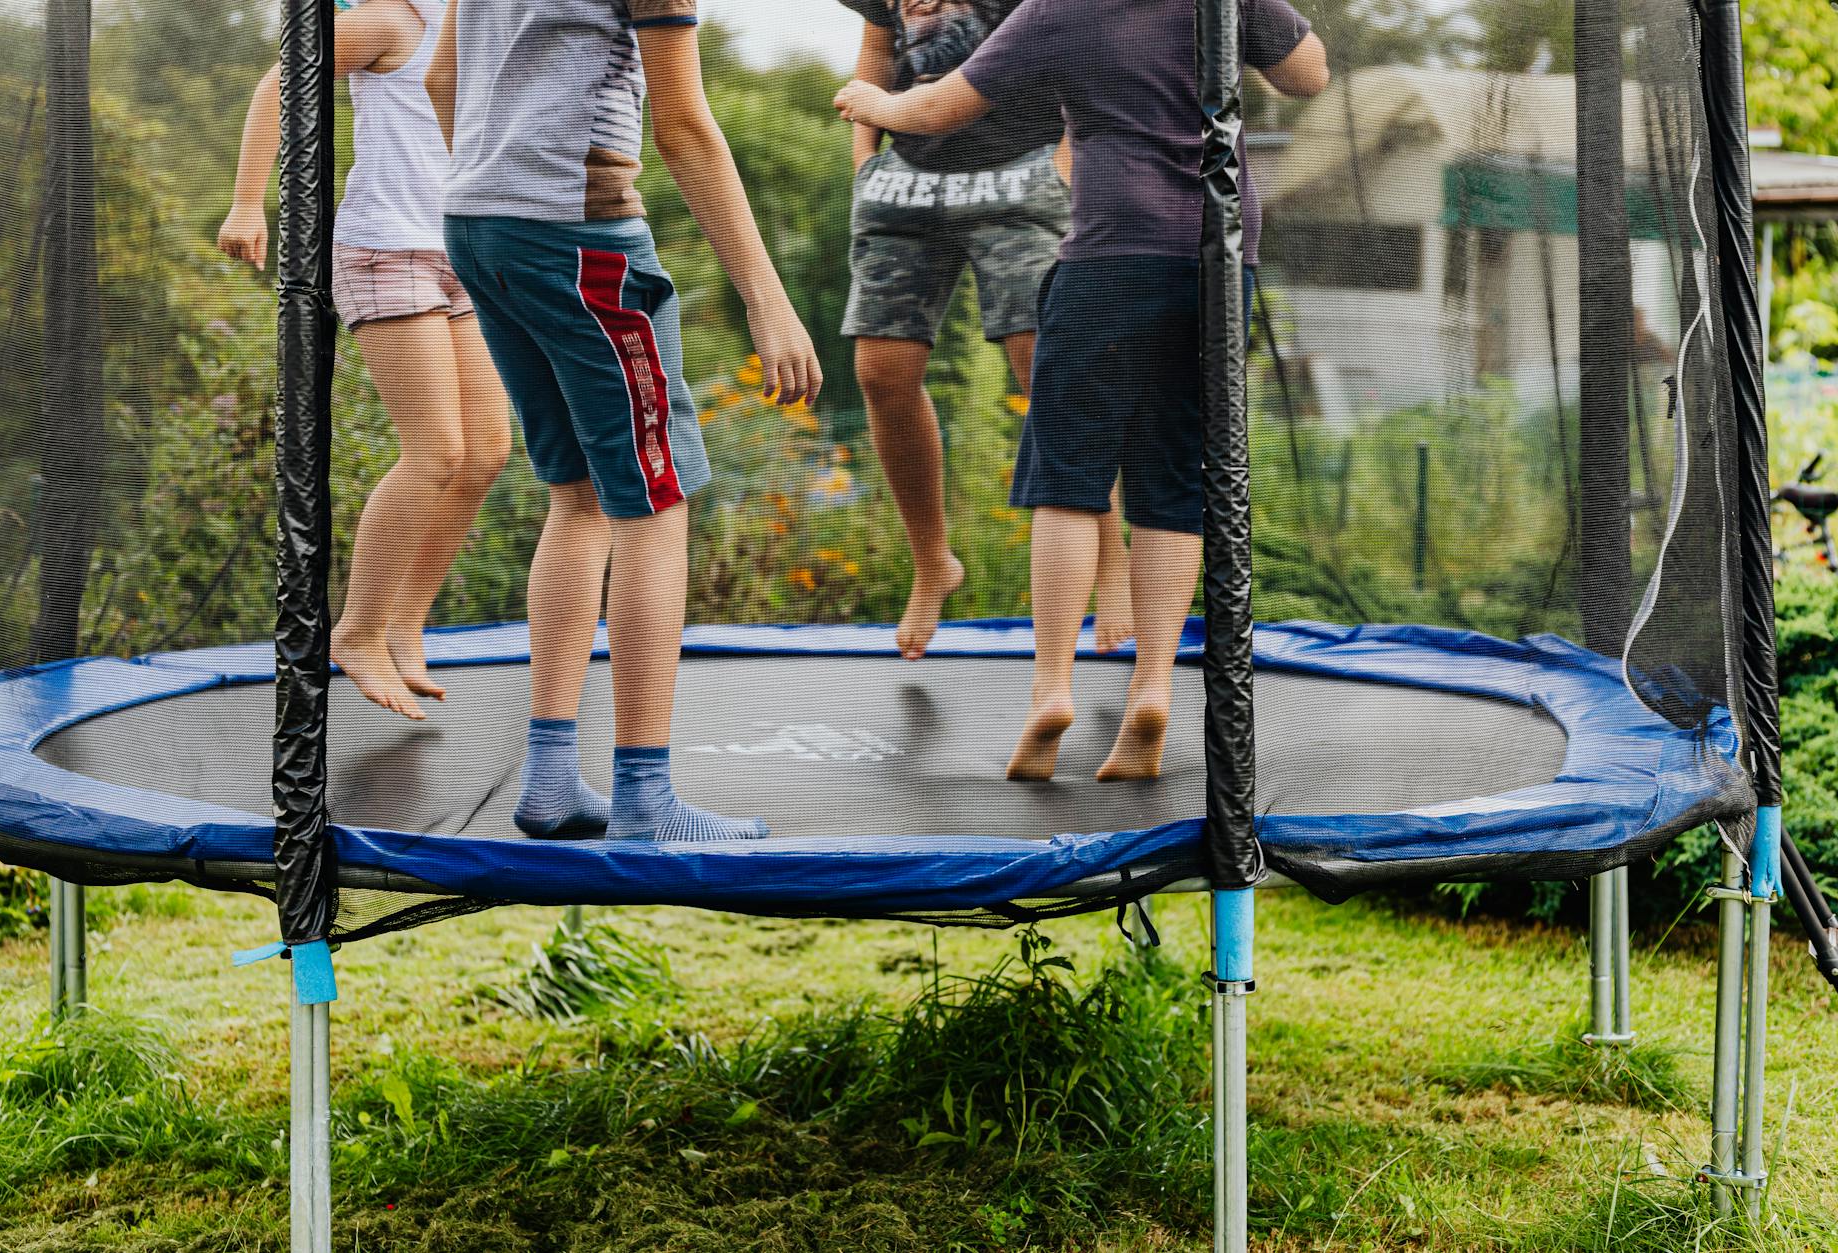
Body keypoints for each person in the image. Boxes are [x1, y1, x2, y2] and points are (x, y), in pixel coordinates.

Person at [836, 0, 1327, 782]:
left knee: (1067, 479)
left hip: (1108, 256)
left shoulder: (1059, 8)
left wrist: (874, 104)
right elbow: (1308, 75)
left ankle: (1052, 688)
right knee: (1172, 484)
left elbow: (938, 108)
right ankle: (1154, 688)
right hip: (1219, 261)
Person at [425, 0, 822, 840]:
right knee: (655, 498)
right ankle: (645, 797)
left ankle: (549, 779)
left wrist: (500, 179)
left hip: (476, 221)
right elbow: (682, 127)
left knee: (576, 493)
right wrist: (769, 300)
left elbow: (441, 78)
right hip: (579, 235)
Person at [220, 0, 511, 722]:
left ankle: (407, 621)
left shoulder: (478, 20)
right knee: (436, 451)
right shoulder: (390, 21)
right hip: (387, 251)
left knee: (487, 452)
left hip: (460, 251)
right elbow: (276, 83)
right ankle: (357, 628)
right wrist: (247, 205)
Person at [838, 0, 1134, 660]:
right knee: (881, 374)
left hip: (1019, 172)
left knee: (1046, 363)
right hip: (908, 182)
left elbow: (1078, 52)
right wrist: (864, 161)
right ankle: (933, 562)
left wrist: (1063, 164)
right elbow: (877, 50)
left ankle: (1112, 559)